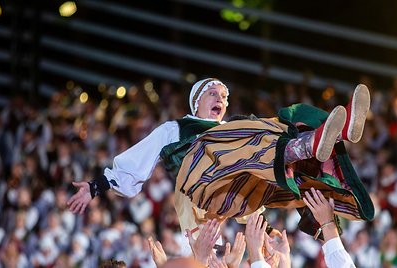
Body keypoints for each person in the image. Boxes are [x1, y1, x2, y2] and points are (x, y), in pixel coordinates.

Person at [68, 78, 374, 241]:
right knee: (240, 134)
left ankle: (325, 138)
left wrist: (267, 231)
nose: (221, 99)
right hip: (197, 184)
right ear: (196, 101)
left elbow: (255, 190)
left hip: (228, 191)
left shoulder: (236, 130)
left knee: (276, 123)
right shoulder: (178, 127)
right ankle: (308, 143)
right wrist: (95, 187)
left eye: (224, 96)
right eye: (213, 93)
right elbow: (138, 160)